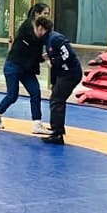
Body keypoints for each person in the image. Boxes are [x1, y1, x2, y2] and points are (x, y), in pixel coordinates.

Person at [0, 3, 52, 135]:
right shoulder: (27, 27)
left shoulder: (44, 31)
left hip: (28, 69)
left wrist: (45, 57)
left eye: (48, 14)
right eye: (45, 13)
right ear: (37, 14)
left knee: (35, 92)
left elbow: (38, 51)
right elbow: (32, 48)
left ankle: (37, 123)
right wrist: (43, 56)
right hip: (14, 66)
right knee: (13, 95)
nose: (47, 16)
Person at [33, 17, 82, 145]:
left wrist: (52, 60)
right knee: (56, 98)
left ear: (40, 28)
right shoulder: (48, 40)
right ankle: (56, 129)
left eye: (35, 28)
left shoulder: (55, 38)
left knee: (57, 100)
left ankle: (58, 133)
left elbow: (67, 55)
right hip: (63, 74)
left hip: (70, 73)